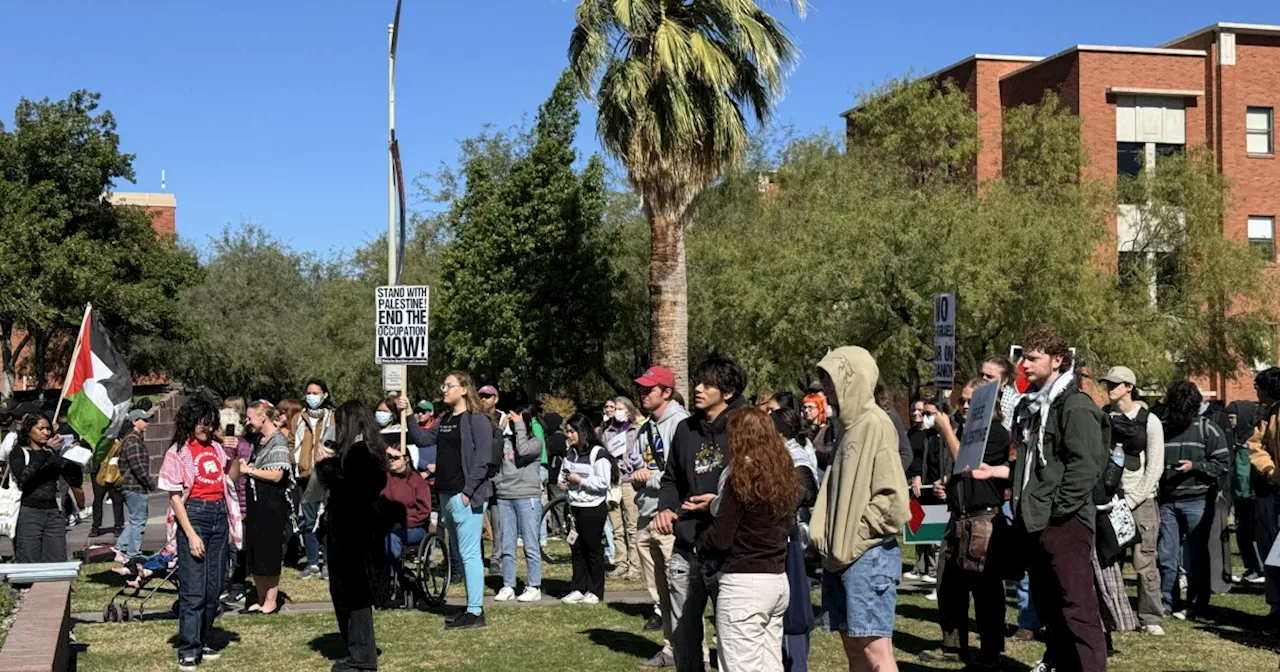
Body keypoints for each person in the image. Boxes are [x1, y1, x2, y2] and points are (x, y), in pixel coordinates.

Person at [1009, 326, 1107, 672]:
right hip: (1036, 520)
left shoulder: (1074, 405)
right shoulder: (1031, 406)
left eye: (1033, 358)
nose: (1024, 364)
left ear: (1058, 360)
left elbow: (1086, 465)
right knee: (1050, 607)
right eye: (1023, 356)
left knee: (1076, 606)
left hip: (1064, 523)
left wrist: (1057, 510)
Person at [811, 346, 909, 672]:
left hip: (866, 556)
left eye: (831, 377)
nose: (825, 386)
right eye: (823, 378)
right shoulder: (848, 427)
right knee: (854, 648)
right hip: (841, 558)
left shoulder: (876, 424)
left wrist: (854, 538)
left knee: (876, 653)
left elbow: (891, 501)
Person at [653, 355, 749, 672]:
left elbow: (755, 485)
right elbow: (670, 479)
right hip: (686, 549)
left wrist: (719, 503)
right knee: (684, 639)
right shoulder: (686, 429)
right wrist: (666, 507)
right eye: (698, 382)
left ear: (729, 391)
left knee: (733, 642)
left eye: (708, 384)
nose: (698, 389)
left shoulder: (746, 427)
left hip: (728, 551)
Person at [917, 378, 1012, 669]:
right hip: (958, 517)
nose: (966, 406)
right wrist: (946, 486)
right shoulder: (964, 432)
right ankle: (953, 645)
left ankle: (990, 652)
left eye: (972, 401)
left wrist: (945, 429)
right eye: (963, 402)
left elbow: (967, 462)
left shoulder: (995, 432)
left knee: (986, 590)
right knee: (949, 585)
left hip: (982, 518)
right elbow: (959, 473)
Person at [697, 407, 797, 672]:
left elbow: (721, 537)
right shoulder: (783, 475)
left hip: (744, 583)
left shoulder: (741, 477)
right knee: (770, 665)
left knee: (741, 666)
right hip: (776, 580)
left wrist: (699, 540)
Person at [158, 396, 243, 671]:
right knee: (193, 590)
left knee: (214, 588)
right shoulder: (178, 452)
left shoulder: (218, 448)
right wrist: (191, 534)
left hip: (218, 515)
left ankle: (202, 639)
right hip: (193, 514)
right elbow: (174, 497)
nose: (207, 428)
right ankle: (188, 648)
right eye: (202, 423)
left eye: (211, 424)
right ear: (190, 422)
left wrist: (235, 455)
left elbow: (230, 480)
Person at [631, 366, 703, 669]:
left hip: (670, 518)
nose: (643, 393)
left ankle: (693, 653)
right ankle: (671, 648)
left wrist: (651, 478)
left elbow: (686, 474)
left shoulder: (682, 424)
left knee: (680, 593)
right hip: (648, 513)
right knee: (661, 592)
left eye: (650, 389)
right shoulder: (648, 426)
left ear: (667, 392)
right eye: (642, 388)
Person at [314, 401, 389, 671]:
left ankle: (363, 656)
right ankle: (355, 649)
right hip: (349, 529)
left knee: (356, 595)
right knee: (344, 592)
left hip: (355, 532)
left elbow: (351, 486)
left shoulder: (362, 452)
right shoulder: (358, 449)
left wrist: (326, 467)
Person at [420, 371, 497, 629]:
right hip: (445, 493)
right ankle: (470, 607)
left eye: (449, 385)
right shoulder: (445, 419)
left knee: (469, 553)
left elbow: (483, 459)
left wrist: (467, 493)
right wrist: (408, 413)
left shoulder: (477, 420)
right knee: (460, 553)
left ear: (464, 389)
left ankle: (475, 612)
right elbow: (421, 438)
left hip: (465, 496)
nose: (444, 390)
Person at [1099, 365, 1166, 636]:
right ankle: (1112, 614)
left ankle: (1151, 616)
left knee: (1145, 560)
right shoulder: (1102, 417)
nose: (1110, 388)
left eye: (1116, 383)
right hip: (1108, 499)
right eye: (1108, 383)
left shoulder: (1150, 421)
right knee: (1108, 560)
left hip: (1142, 502)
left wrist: (1136, 498)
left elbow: (1155, 465)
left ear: (1129, 387)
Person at [1157, 380, 1230, 621]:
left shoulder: (1207, 429)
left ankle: (1197, 604)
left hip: (1197, 500)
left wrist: (1195, 467)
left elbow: (1222, 464)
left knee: (1196, 555)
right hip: (1167, 501)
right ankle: (1168, 601)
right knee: (1167, 555)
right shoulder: (1163, 428)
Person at [771, 407, 819, 672]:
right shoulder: (781, 452)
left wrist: (782, 504)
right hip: (785, 538)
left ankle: (796, 664)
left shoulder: (795, 454)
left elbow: (807, 489)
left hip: (794, 540)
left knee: (795, 609)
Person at [240, 401, 294, 615]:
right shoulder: (257, 441)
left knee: (269, 551)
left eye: (250, 417)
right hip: (256, 504)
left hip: (271, 505)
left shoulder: (278, 440)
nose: (247, 421)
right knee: (255, 550)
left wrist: (250, 470)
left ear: (263, 417)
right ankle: (261, 598)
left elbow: (277, 474)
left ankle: (271, 600)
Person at [10, 413, 83, 563]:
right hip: (28, 511)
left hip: (53, 512)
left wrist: (72, 456)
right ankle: (25, 586)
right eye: (41, 428)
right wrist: (46, 452)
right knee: (29, 557)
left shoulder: (52, 454)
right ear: (29, 430)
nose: (46, 433)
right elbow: (24, 477)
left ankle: (54, 586)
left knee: (56, 558)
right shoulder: (19, 452)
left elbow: (75, 480)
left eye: (48, 429)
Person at [559, 412, 612, 605]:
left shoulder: (598, 453)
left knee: (593, 549)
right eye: (567, 432)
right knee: (576, 549)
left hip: (593, 507)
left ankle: (595, 589)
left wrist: (579, 480)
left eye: (573, 431)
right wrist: (563, 481)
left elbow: (602, 482)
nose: (569, 435)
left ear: (583, 431)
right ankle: (578, 588)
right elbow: (564, 473)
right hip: (574, 506)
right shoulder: (570, 453)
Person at [494, 405, 544, 603]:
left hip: (527, 496)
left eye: (518, 421)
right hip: (505, 495)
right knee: (507, 544)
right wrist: (499, 430)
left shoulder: (536, 443)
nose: (514, 424)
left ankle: (534, 585)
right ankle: (508, 585)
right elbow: (491, 455)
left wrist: (521, 427)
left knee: (531, 544)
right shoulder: (505, 441)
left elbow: (522, 451)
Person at [1248, 367, 1280, 629]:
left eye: (1259, 386)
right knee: (1272, 553)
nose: (1255, 391)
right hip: (1273, 493)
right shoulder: (1269, 414)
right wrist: (1270, 470)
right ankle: (1276, 606)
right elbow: (1257, 445)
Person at [294, 379, 335, 581]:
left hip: (326, 476)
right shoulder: (298, 419)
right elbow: (292, 443)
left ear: (325, 395)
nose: (312, 396)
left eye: (316, 393)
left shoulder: (333, 418)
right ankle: (312, 563)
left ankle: (328, 563)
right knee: (308, 521)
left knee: (326, 520)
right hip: (305, 476)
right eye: (309, 392)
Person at [380, 442, 431, 598]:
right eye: (389, 458)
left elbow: (424, 510)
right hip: (388, 525)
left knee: (392, 538)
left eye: (395, 458)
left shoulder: (416, 481)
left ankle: (400, 574)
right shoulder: (384, 479)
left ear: (406, 459)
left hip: (413, 527)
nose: (391, 461)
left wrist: (406, 521)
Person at [603, 396, 643, 580]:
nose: (617, 411)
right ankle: (620, 562)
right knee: (616, 526)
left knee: (632, 524)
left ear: (629, 409)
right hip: (613, 482)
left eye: (621, 408)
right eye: (615, 408)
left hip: (630, 481)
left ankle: (635, 565)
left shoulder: (638, 430)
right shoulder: (607, 431)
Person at [1227, 398, 1264, 584]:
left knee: (1254, 534)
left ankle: (1261, 568)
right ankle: (1251, 567)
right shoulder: (1234, 439)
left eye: (1233, 417)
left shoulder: (1255, 439)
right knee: (1242, 534)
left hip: (1253, 494)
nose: (1230, 422)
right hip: (1239, 495)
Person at [115, 407, 155, 560]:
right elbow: (137, 466)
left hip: (132, 486)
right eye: (144, 420)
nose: (147, 423)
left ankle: (120, 548)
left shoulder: (133, 439)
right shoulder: (133, 441)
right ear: (134, 422)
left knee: (135, 519)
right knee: (139, 520)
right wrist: (150, 483)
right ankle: (133, 554)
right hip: (134, 486)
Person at [981, 356, 1023, 432]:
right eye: (981, 375)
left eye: (989, 376)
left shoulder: (1014, 403)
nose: (984, 378)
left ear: (1004, 381)